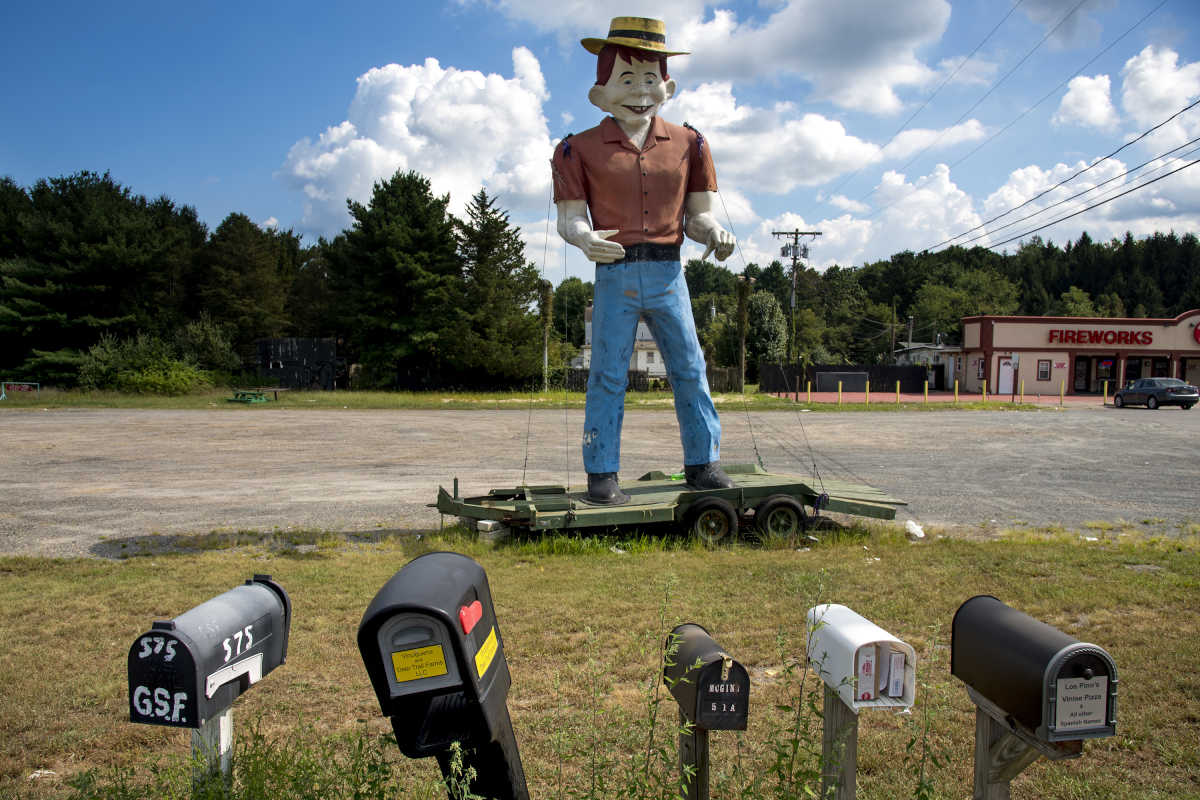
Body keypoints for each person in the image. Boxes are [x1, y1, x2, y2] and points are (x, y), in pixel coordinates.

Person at [551, 16, 736, 505]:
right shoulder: (577, 149)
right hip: (614, 272)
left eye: (650, 79)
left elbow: (697, 217)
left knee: (690, 368)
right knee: (608, 374)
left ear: (667, 86)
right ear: (601, 92)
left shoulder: (690, 144)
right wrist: (583, 238)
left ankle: (703, 464)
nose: (640, 91)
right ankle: (602, 474)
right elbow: (569, 219)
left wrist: (712, 231)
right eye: (626, 80)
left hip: (669, 271)